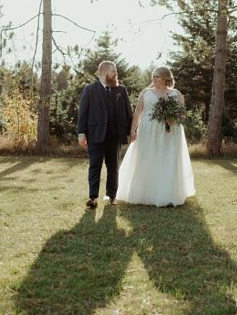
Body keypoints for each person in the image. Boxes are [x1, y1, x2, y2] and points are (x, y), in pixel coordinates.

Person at [116, 66, 195, 207]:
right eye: (153, 76)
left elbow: (182, 114)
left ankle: (168, 195)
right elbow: (138, 113)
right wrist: (133, 131)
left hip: (170, 131)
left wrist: (173, 120)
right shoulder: (146, 92)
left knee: (168, 159)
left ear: (165, 77)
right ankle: (146, 192)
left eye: (158, 76)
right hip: (148, 131)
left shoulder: (176, 94)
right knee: (148, 158)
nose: (155, 79)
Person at [77, 61, 133, 209]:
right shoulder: (90, 90)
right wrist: (81, 133)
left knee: (113, 166)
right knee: (94, 166)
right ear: (104, 73)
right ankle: (93, 197)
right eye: (113, 71)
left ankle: (112, 196)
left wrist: (132, 131)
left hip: (114, 136)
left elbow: (128, 112)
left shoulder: (121, 90)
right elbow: (83, 113)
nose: (116, 74)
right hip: (95, 135)